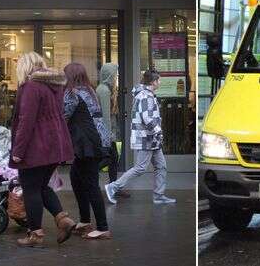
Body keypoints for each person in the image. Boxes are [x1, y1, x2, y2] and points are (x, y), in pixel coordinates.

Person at [9, 51, 76, 248]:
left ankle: (35, 234)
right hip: (54, 146)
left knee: (30, 189)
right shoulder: (53, 86)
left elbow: (26, 121)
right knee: (42, 186)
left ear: (25, 67)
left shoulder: (31, 86)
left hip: (36, 147)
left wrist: (18, 150)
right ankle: (63, 220)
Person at [104, 70, 176, 205]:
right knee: (140, 168)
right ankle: (113, 186)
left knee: (161, 166)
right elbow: (147, 117)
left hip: (151, 139)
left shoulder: (147, 95)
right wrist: (158, 131)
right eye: (158, 80)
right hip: (146, 138)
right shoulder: (145, 96)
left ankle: (159, 195)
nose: (160, 82)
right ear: (153, 82)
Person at [64, 63, 112, 240]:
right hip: (96, 141)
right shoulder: (89, 91)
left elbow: (63, 115)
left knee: (91, 184)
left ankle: (103, 227)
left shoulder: (72, 93)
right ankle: (84, 221)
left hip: (87, 145)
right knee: (76, 178)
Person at [96, 63, 130, 198]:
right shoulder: (103, 90)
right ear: (109, 75)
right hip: (106, 133)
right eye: (114, 75)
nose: (116, 77)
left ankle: (114, 186)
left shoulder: (106, 89)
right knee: (109, 158)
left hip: (108, 132)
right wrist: (108, 135)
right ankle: (88, 175)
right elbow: (105, 116)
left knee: (113, 159)